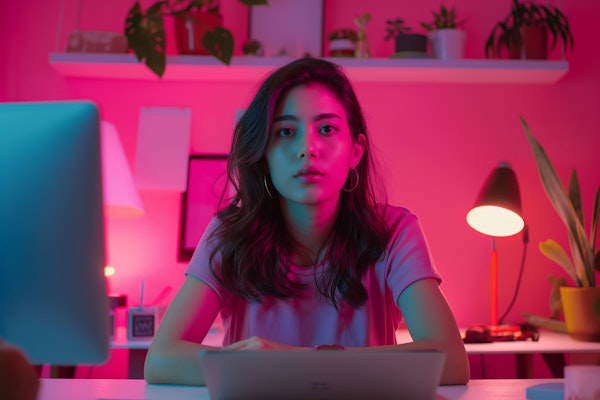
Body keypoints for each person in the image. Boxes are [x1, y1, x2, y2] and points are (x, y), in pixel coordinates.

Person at [144, 57, 470, 386]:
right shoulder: (228, 234)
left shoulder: (395, 231)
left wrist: (291, 361)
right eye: (286, 132)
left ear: (355, 151)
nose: (307, 148)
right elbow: (161, 359)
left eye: (326, 129)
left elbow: (452, 362)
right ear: (264, 153)